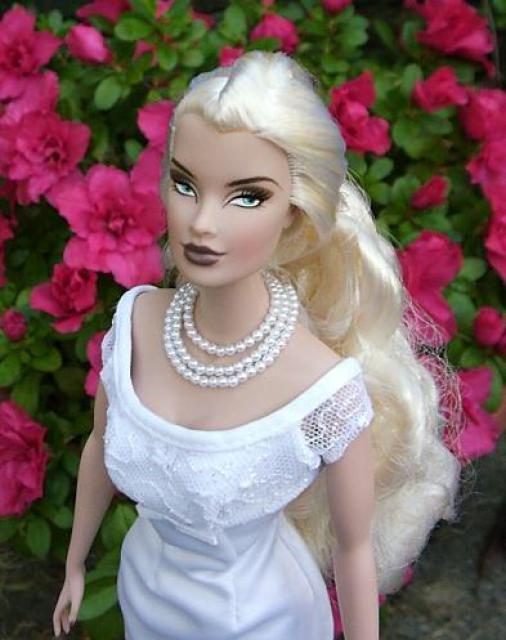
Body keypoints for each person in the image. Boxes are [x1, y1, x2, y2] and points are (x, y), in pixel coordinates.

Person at [52, 51, 463, 640]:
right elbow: (100, 445)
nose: (202, 223)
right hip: (146, 591)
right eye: (185, 185)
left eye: (247, 197)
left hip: (256, 620)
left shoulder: (323, 391)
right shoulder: (136, 322)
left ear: (294, 214)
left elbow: (352, 550)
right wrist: (74, 564)